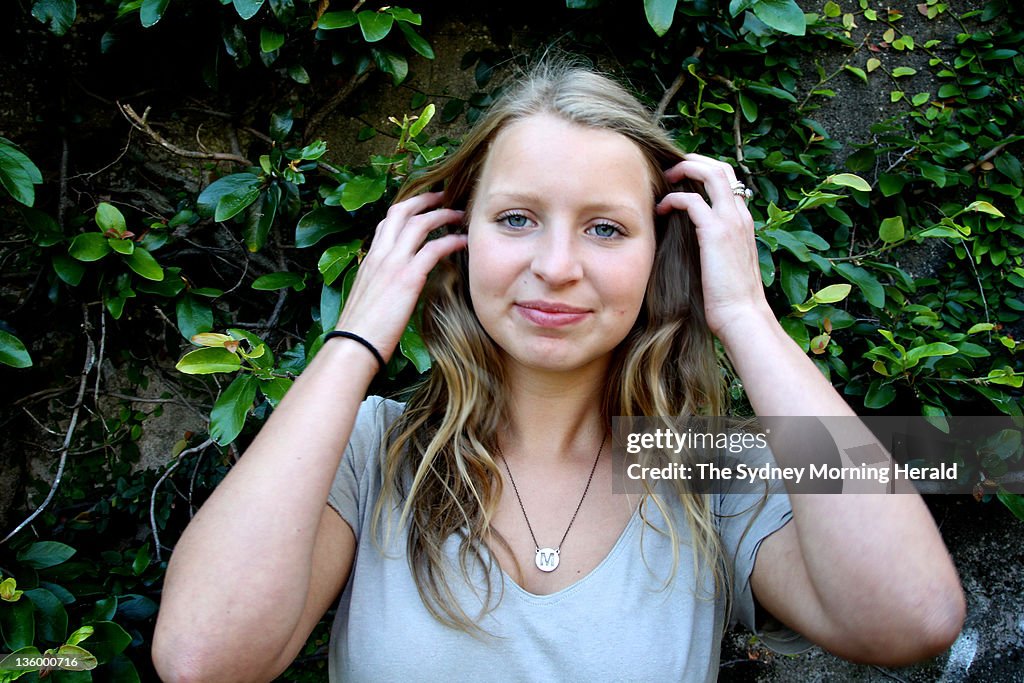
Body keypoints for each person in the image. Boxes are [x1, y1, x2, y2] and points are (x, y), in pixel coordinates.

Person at [152, 60, 965, 682]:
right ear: (455, 232)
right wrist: (359, 332)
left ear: (664, 250)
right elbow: (201, 657)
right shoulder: (370, 449)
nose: (557, 265)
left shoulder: (708, 466)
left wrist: (748, 317)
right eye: (516, 218)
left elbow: (914, 616)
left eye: (607, 229)